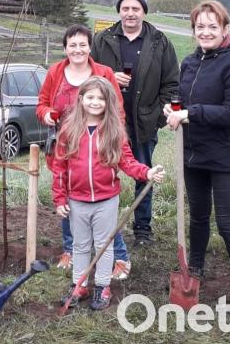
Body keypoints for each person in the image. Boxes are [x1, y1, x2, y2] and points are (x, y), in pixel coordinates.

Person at [162, 0, 230, 312]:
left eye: (212, 26)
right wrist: (173, 110)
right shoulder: (191, 62)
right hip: (194, 152)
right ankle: (195, 271)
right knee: (198, 216)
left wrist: (191, 113)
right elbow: (183, 98)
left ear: (225, 29)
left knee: (227, 222)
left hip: (227, 155)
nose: (205, 32)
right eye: (200, 27)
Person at [52, 76, 164, 311]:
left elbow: (127, 162)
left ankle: (103, 286)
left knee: (104, 245)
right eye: (90, 97)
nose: (95, 102)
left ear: (108, 102)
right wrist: (60, 198)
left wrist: (146, 173)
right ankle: (79, 284)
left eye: (101, 98)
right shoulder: (69, 130)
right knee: (80, 244)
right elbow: (60, 166)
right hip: (76, 199)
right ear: (81, 99)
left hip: (106, 200)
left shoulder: (114, 131)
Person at [36, 24, 132, 280]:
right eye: (72, 45)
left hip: (98, 150)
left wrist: (115, 141)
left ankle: (119, 256)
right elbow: (42, 103)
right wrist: (46, 114)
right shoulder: (56, 72)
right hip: (66, 150)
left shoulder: (103, 73)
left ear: (90, 47)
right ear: (65, 48)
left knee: (102, 203)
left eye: (82, 44)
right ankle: (71, 249)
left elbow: (117, 109)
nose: (77, 49)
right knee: (68, 201)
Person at [91, 0, 179, 245]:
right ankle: (104, 227)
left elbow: (173, 84)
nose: (130, 13)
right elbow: (88, 77)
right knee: (103, 173)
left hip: (143, 123)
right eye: (125, 8)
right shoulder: (102, 39)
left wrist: (157, 117)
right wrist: (108, 77)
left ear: (144, 11)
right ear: (119, 10)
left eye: (135, 9)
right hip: (107, 121)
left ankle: (142, 229)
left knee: (144, 175)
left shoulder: (159, 42)